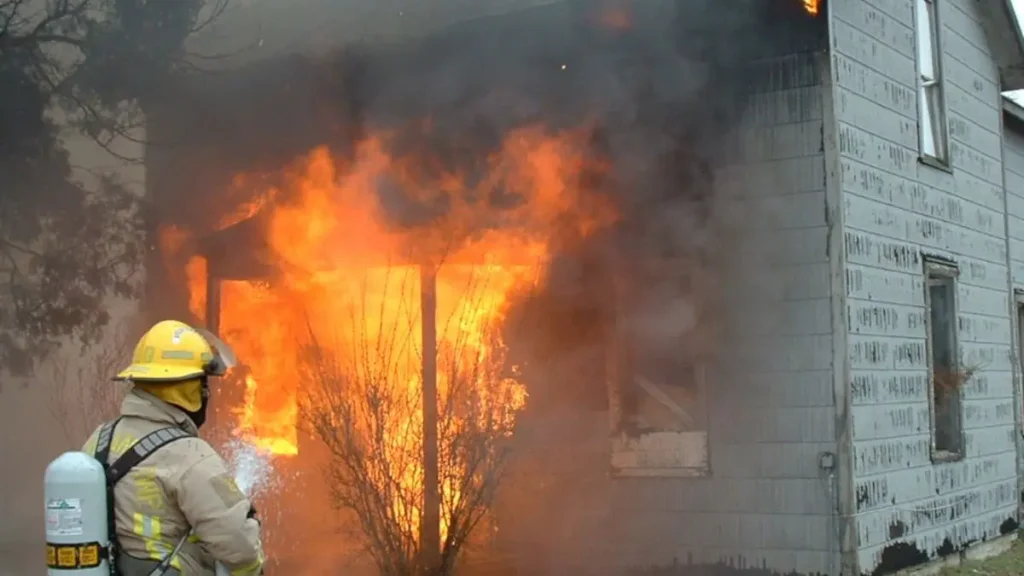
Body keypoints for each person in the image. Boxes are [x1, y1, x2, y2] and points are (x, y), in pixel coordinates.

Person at [82, 320, 265, 575]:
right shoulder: (189, 454)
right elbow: (239, 546)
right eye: (203, 383)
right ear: (187, 388)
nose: (206, 393)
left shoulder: (99, 439)